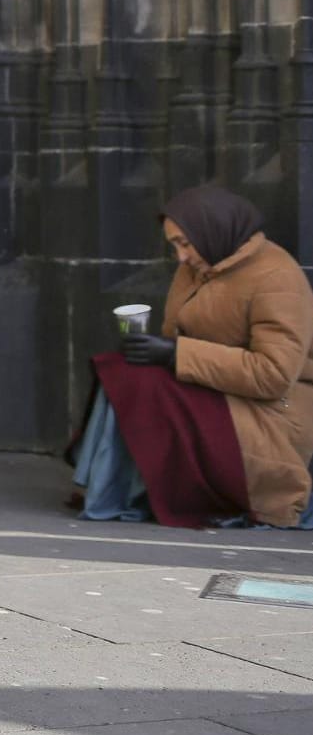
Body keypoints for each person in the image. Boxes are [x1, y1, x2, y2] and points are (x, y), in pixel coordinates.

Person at [74, 185, 313, 529]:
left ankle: (128, 492)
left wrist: (177, 354)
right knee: (123, 369)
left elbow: (273, 376)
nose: (181, 256)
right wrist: (160, 349)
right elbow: (183, 340)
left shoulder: (277, 278)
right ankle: (110, 488)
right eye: (175, 245)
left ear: (213, 231)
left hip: (274, 414)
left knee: (146, 382)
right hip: (218, 391)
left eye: (185, 243)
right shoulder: (198, 267)